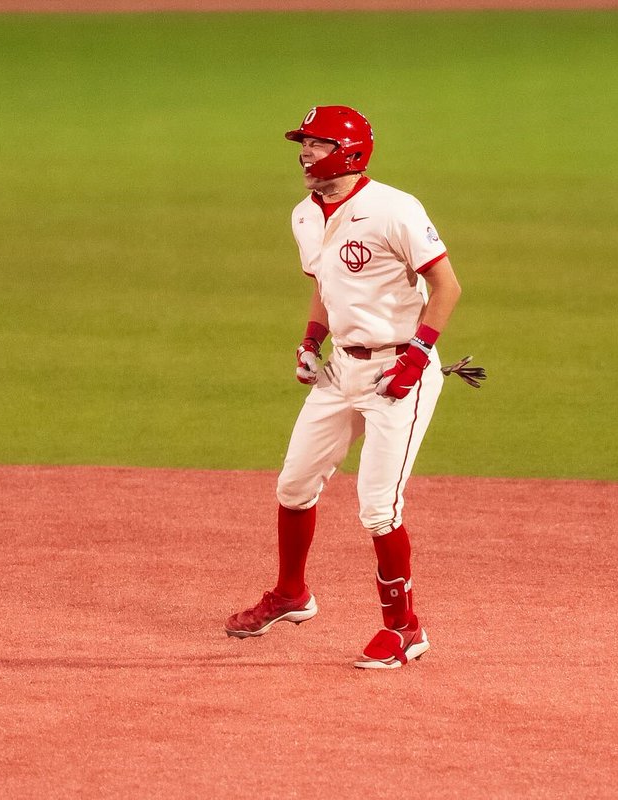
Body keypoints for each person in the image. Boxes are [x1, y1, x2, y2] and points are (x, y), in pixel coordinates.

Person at [225, 105, 463, 669]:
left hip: (396, 372)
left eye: (317, 143)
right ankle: (291, 595)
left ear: (350, 150)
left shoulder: (394, 209)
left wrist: (418, 354)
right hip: (340, 371)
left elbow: (447, 286)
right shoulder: (304, 215)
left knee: (378, 509)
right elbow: (326, 287)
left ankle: (405, 629)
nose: (305, 153)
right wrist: (311, 340)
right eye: (302, 144)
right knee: (293, 484)